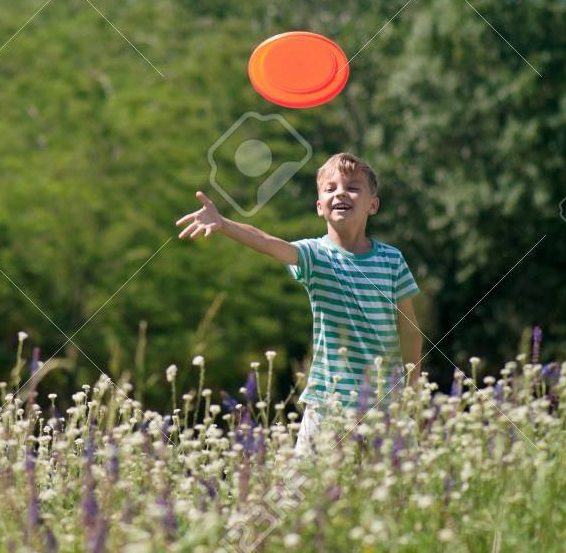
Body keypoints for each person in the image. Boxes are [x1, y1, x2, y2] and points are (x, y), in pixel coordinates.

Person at [176, 152, 421, 454]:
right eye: (330, 188)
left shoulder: (392, 260)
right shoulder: (314, 255)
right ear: (320, 207)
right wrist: (223, 223)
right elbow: (267, 242)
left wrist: (412, 390)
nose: (340, 192)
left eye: (353, 187)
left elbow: (409, 330)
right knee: (305, 494)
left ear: (373, 204)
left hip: (386, 403)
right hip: (327, 403)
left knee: (396, 493)